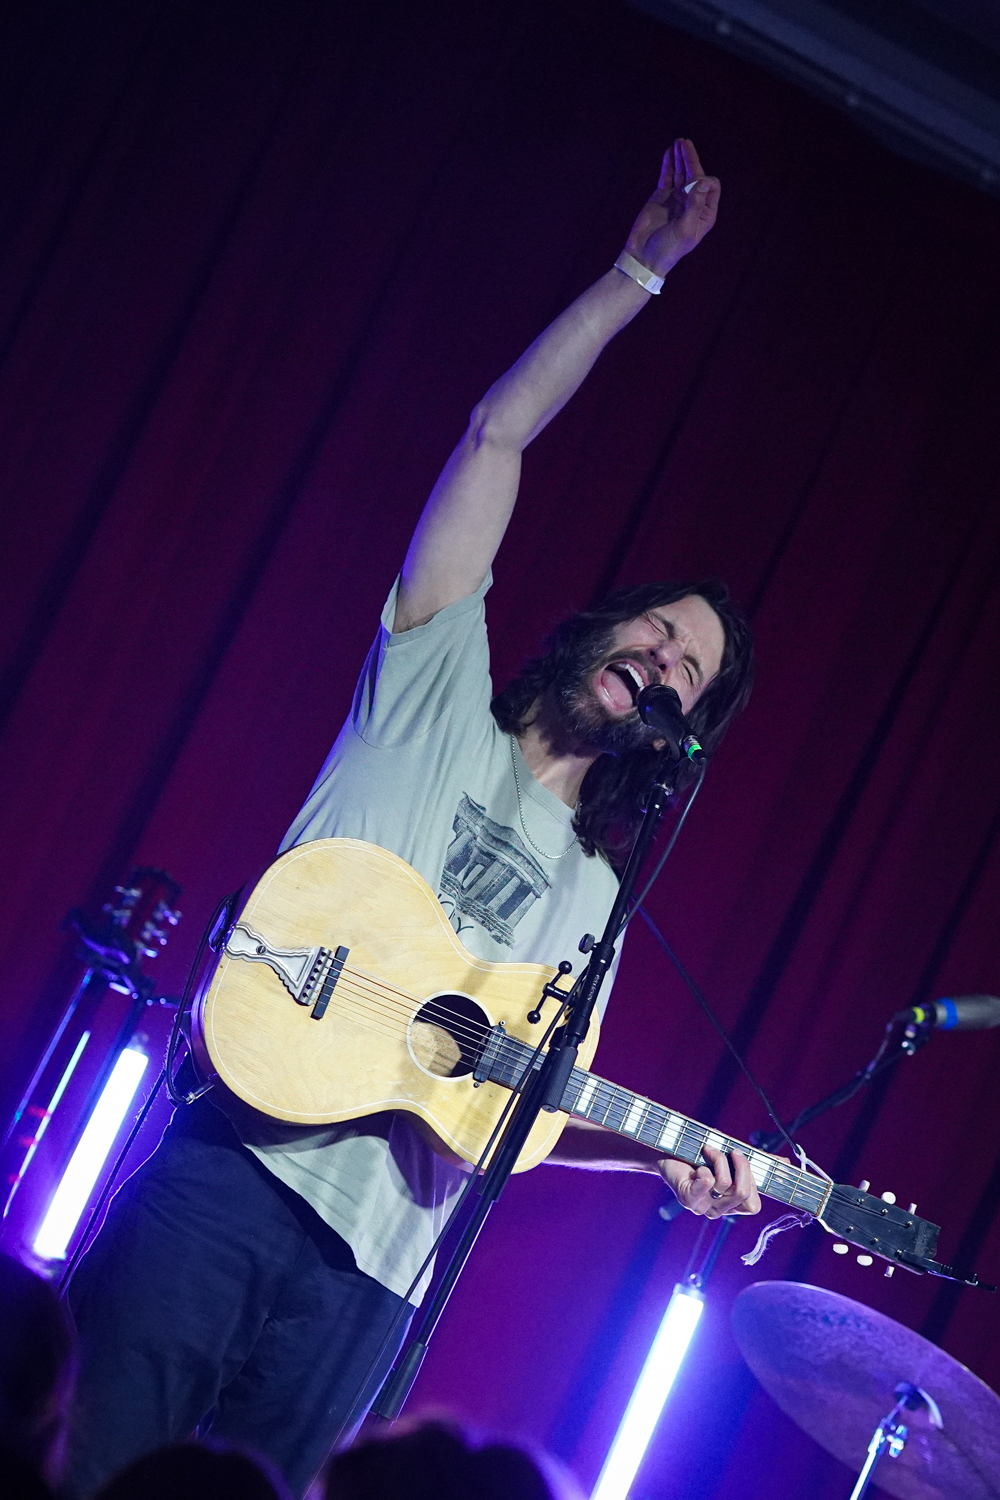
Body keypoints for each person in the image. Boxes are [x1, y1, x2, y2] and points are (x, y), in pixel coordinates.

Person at [64, 139, 759, 1500]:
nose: (666, 659)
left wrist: (669, 1164)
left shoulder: (598, 909)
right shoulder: (433, 686)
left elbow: (526, 1111)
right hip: (230, 1163)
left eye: (691, 671)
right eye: (661, 629)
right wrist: (636, 277)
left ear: (680, 727)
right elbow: (495, 436)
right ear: (607, 625)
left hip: (371, 1285)